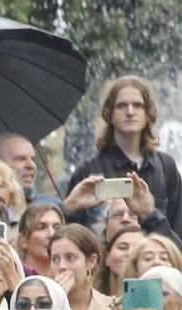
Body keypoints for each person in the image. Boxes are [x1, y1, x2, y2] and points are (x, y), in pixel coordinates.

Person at [66, 76, 182, 247]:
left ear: (147, 113)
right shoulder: (88, 170)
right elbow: (71, 235)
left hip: (158, 263)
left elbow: (178, 232)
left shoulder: (166, 167)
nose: (130, 111)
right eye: (121, 105)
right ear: (109, 114)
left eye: (137, 105)